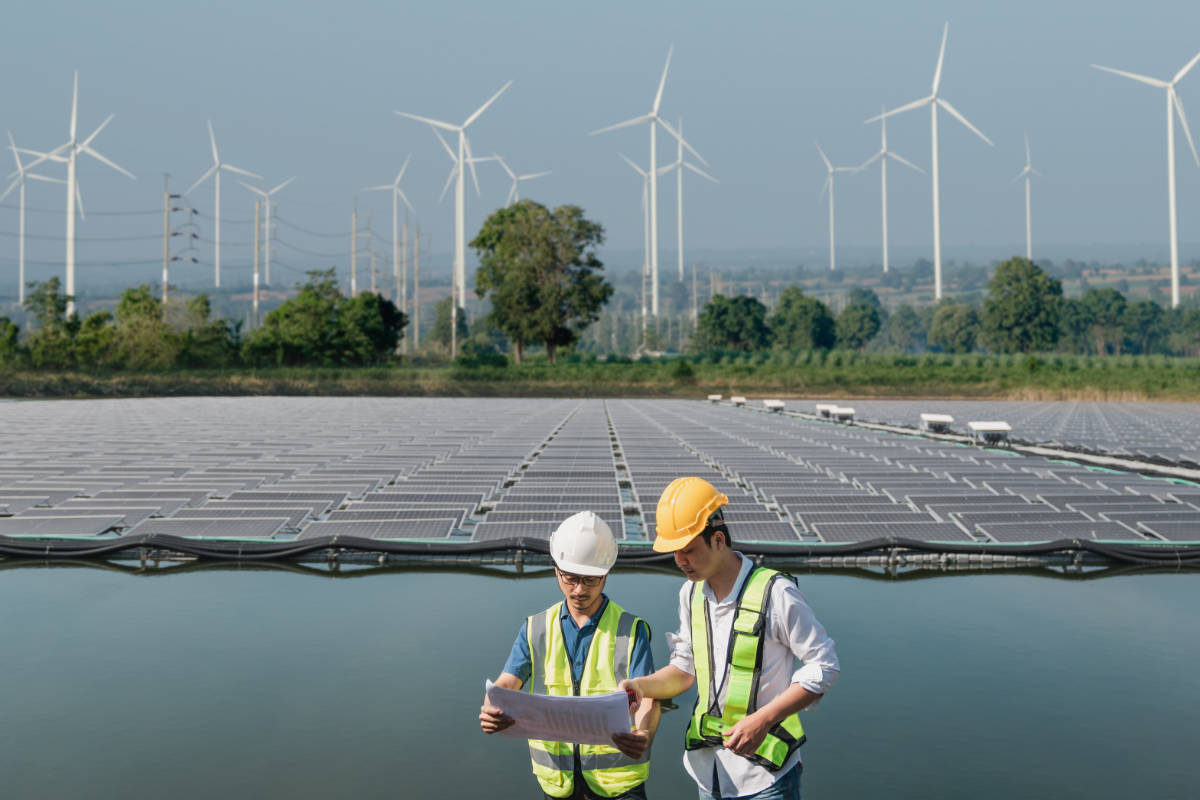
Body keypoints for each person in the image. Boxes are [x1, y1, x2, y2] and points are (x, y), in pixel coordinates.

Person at [620, 477, 839, 800]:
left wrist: (763, 720)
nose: (680, 561)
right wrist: (640, 686)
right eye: (675, 552)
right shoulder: (690, 594)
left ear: (718, 540)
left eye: (688, 550)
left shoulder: (776, 593)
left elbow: (825, 666)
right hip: (708, 774)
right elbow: (685, 669)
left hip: (766, 780)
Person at [480, 510, 661, 799]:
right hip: (557, 782)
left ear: (606, 574)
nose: (579, 589)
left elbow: (649, 698)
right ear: (556, 569)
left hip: (618, 784)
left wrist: (644, 734)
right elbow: (506, 685)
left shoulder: (631, 630)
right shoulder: (535, 628)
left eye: (591, 580)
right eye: (571, 578)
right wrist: (492, 707)